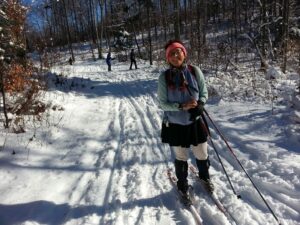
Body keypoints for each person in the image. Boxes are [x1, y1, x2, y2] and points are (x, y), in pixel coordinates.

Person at [157, 40, 214, 201]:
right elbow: (162, 103)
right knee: (181, 157)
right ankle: (182, 184)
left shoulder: (195, 71)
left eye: (178, 52)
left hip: (195, 122)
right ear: (168, 59)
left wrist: (201, 105)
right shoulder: (164, 77)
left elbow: (203, 92)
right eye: (172, 54)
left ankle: (204, 176)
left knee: (202, 153)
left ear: (184, 53)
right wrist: (181, 106)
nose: (176, 56)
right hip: (175, 124)